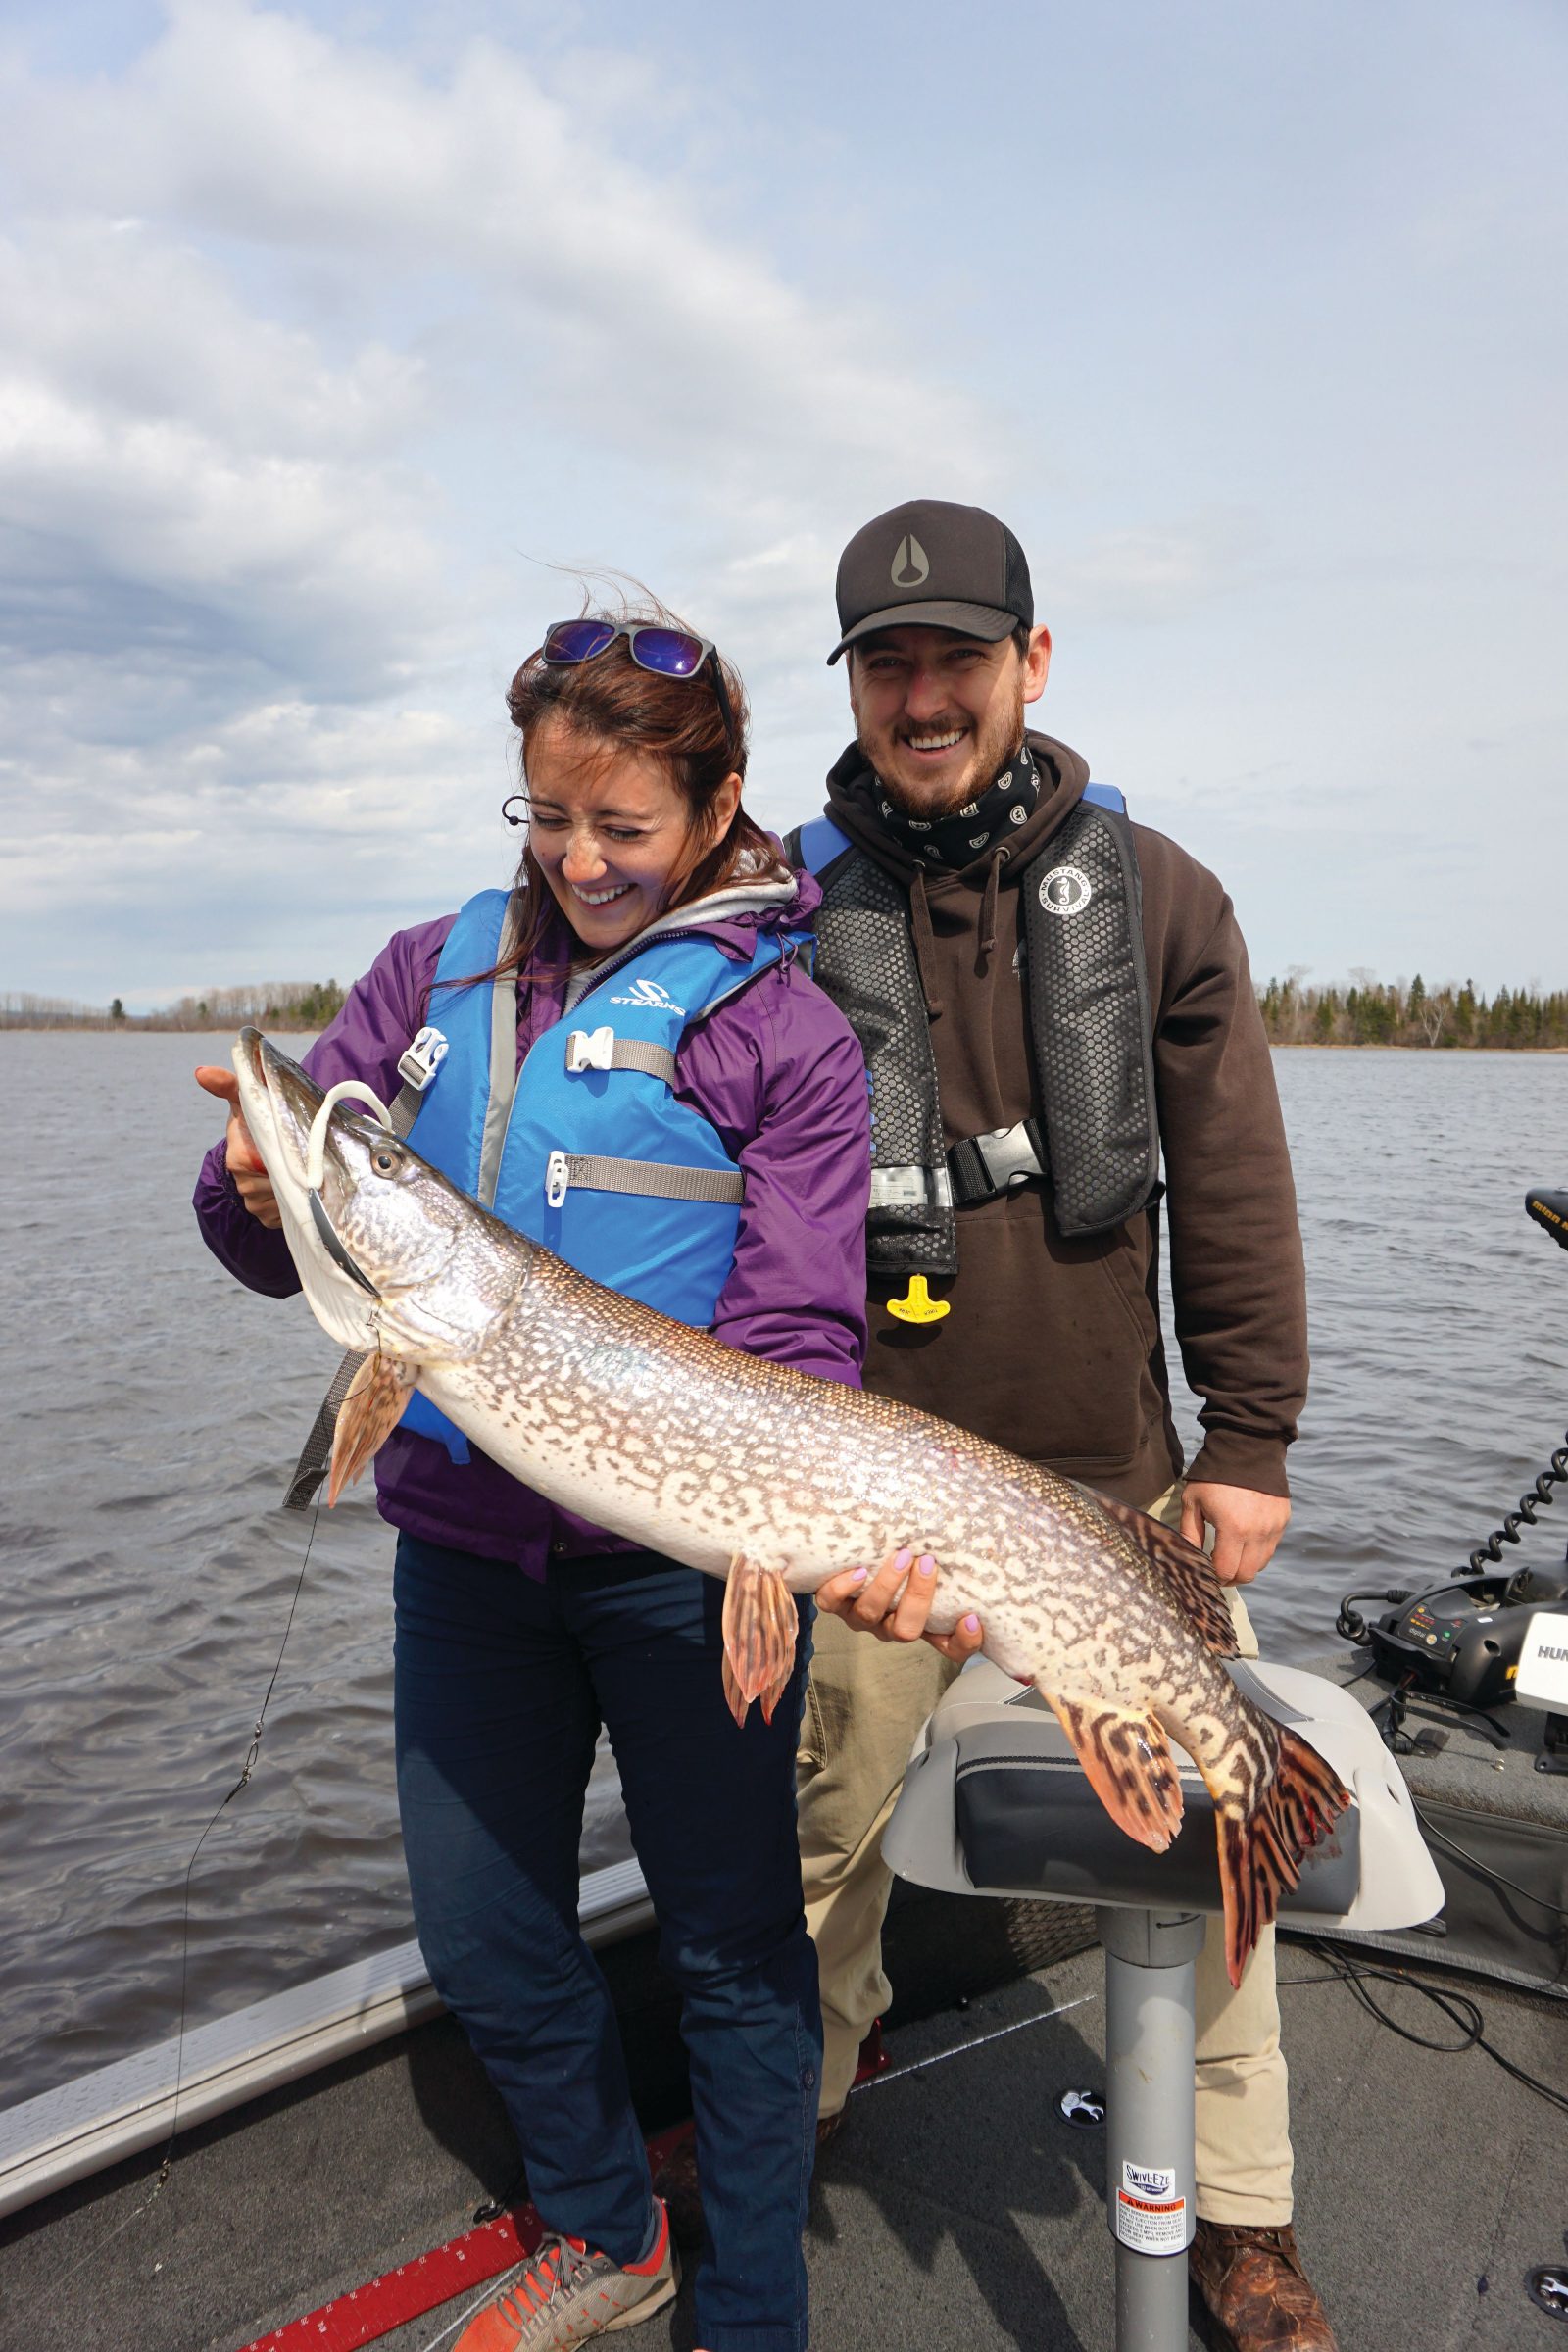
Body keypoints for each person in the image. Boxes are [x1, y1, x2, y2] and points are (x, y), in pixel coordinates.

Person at [192, 611, 874, 2352]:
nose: (578, 859)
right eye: (545, 820)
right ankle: (601, 2227)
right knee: (485, 1931)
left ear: (721, 808)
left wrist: (804, 1534)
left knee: (731, 1949)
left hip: (682, 1567)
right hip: (471, 1568)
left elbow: (800, 1341)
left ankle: (754, 2310)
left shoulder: (785, 1040)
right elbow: (298, 1228)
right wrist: (252, 1188)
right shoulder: (431, 977)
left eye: (623, 827)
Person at [793, 500, 1333, 2352]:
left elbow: (1238, 1182)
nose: (923, 694)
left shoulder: (1161, 893)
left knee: (1209, 1836)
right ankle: (803, 2106)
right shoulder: (790, 905)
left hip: (1118, 1487)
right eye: (887, 663)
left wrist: (1247, 1442)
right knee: (820, 1840)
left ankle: (1246, 2219)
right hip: (866, 1486)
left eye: (956, 656)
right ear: (856, 686)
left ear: (1033, 662)